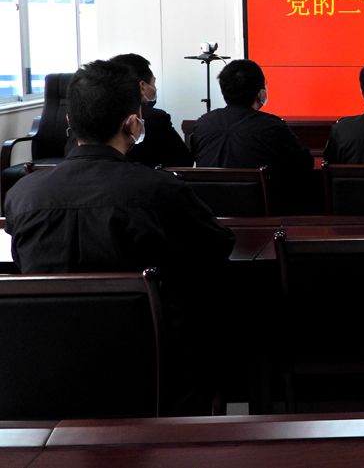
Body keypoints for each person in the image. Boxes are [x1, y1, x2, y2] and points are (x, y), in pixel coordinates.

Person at [5, 59, 235, 413]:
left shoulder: (23, 195)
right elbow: (217, 247)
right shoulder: (161, 191)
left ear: (69, 121)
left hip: (44, 370)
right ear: (133, 123)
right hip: (153, 370)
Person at [190, 59, 312, 174]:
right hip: (258, 191)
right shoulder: (272, 127)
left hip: (205, 191)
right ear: (261, 92)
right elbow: (305, 164)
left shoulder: (202, 124)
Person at [106, 52, 192, 168]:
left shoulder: (94, 115)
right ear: (142, 86)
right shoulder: (155, 118)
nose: (155, 88)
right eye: (153, 83)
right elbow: (183, 161)